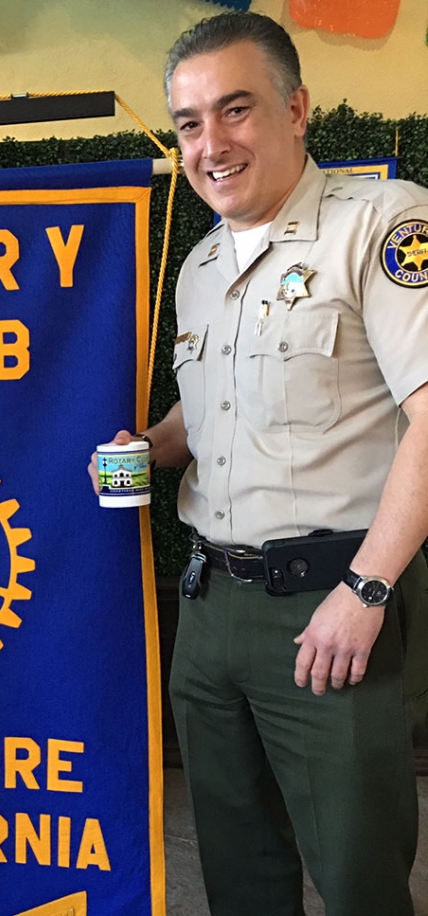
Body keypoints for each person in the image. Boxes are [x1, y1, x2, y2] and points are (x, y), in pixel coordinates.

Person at [90, 11, 428, 916]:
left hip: (334, 605)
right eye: (190, 122)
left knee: (359, 880)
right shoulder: (200, 263)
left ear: (295, 110)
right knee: (238, 876)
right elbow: (209, 415)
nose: (211, 143)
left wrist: (366, 594)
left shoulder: (383, 225)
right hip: (209, 611)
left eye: (234, 110)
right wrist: (152, 446)